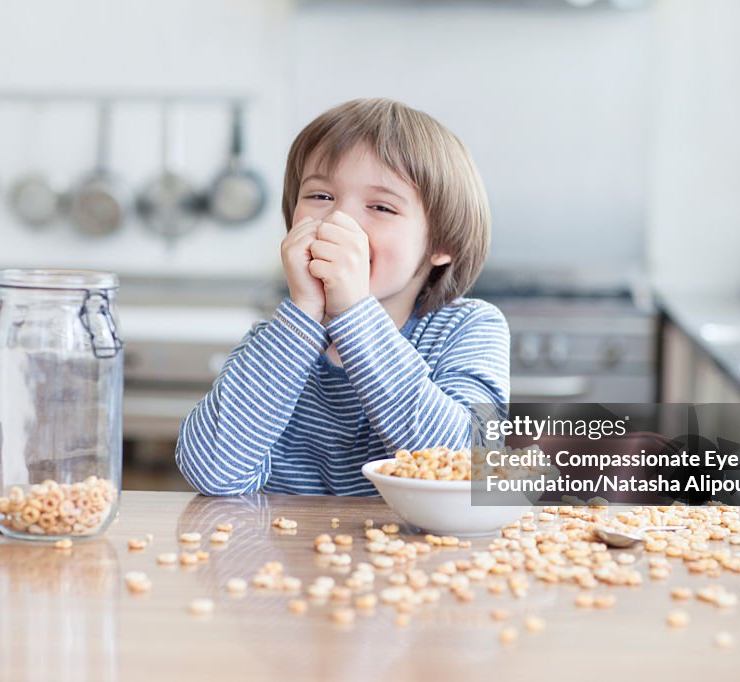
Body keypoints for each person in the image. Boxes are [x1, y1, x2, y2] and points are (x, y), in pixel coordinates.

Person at [176, 97, 510, 495]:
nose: (340, 221)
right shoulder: (275, 343)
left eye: (381, 206)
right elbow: (211, 474)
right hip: (284, 555)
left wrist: (354, 312)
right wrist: (303, 315)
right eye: (320, 197)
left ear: (441, 244)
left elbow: (467, 470)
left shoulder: (468, 328)